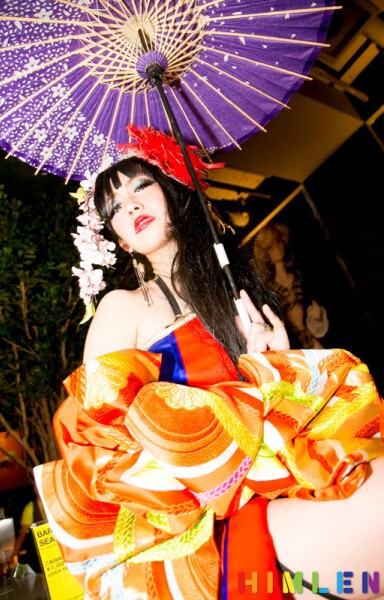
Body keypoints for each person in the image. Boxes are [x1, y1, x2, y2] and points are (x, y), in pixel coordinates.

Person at [34, 124, 384, 600]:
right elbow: (97, 445)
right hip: (201, 529)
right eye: (115, 207)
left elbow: (283, 417)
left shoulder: (235, 292)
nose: (130, 206)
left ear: (174, 189)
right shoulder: (123, 307)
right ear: (119, 239)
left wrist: (275, 366)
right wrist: (207, 450)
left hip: (284, 483)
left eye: (141, 186)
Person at [253, 222, 328, 349]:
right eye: (270, 247)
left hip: (310, 335)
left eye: (278, 242)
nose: (277, 249)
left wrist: (316, 315)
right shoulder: (270, 289)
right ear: (265, 253)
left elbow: (314, 303)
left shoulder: (298, 277)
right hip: (292, 342)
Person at [11, 486, 46, 573]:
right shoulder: (30, 507)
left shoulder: (52, 503)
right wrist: (13, 555)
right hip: (37, 554)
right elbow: (22, 535)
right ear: (35, 489)